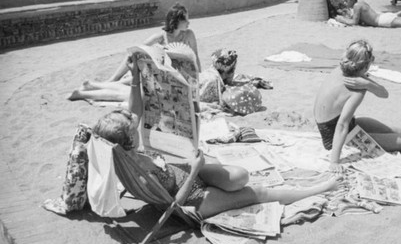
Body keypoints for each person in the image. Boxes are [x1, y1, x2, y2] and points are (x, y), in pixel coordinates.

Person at [91, 56, 342, 219]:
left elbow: (135, 110)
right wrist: (194, 170)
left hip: (186, 172)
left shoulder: (121, 155)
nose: (134, 119)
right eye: (132, 125)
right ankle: (320, 188)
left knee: (240, 176)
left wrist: (135, 77)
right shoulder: (140, 173)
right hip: (195, 199)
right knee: (260, 192)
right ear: (129, 139)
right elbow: (175, 204)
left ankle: (216, 174)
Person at [68, 3, 201, 102]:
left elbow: (196, 57)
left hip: (178, 79)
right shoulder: (160, 37)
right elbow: (134, 51)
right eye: (186, 20)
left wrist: (199, 77)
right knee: (124, 90)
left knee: (124, 89)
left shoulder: (189, 35)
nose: (189, 23)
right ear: (176, 21)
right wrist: (120, 74)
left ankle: (90, 86)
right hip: (159, 78)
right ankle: (95, 86)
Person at [313, 40, 401, 173]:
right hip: (335, 135)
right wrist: (334, 161)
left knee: (399, 131)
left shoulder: (341, 70)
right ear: (365, 67)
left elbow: (384, 94)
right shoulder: (357, 90)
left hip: (332, 124)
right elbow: (342, 125)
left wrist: (368, 84)